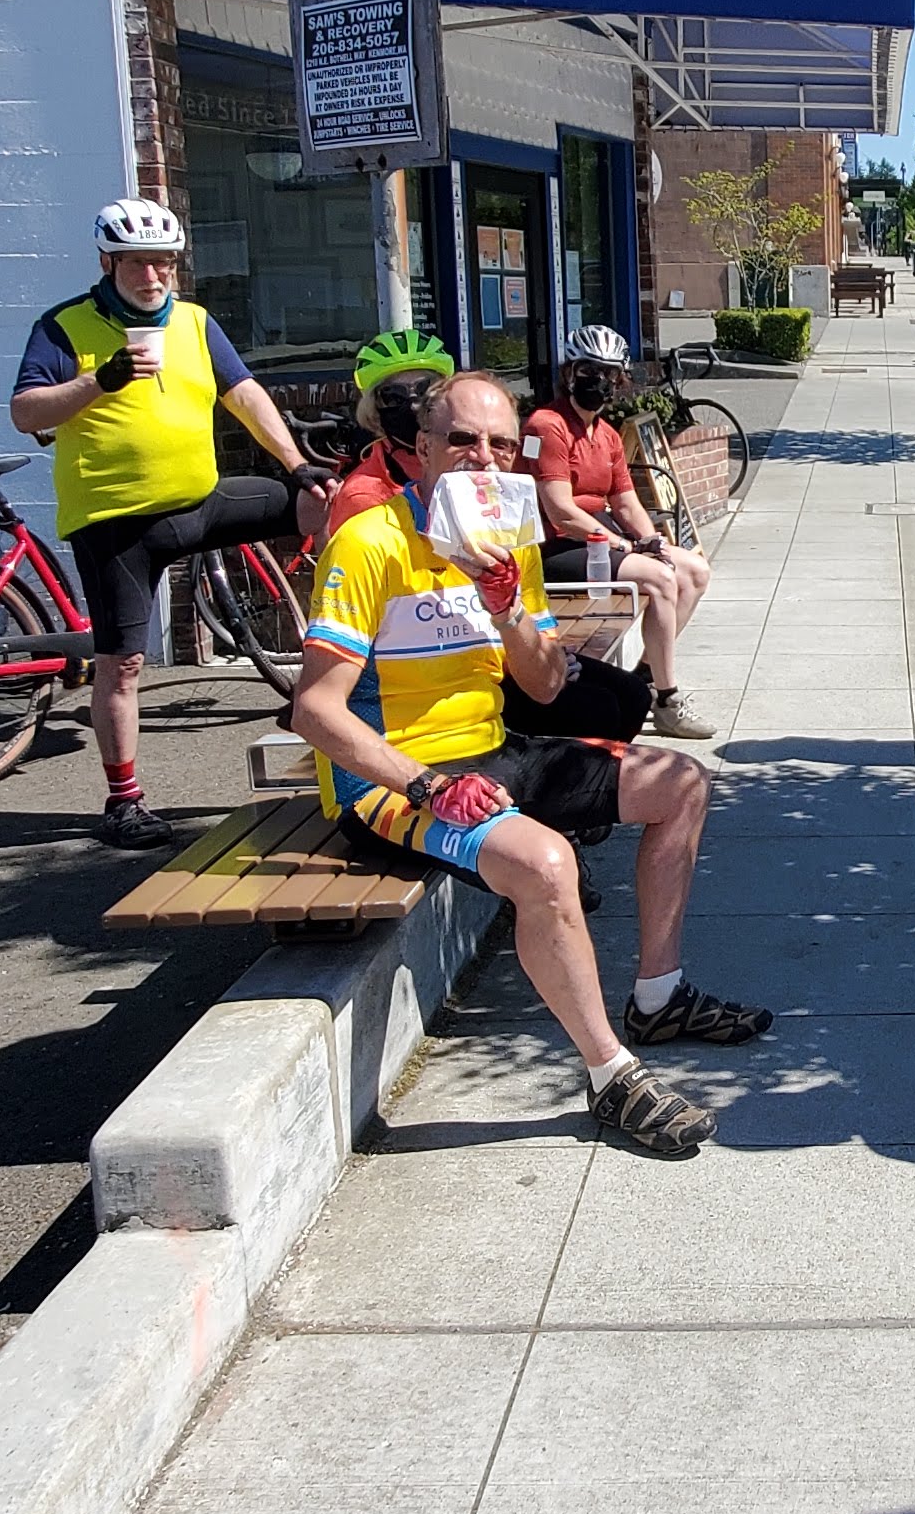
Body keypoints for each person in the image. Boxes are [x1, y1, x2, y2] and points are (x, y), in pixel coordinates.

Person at [282, 371, 775, 1158]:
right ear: (421, 449)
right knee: (547, 864)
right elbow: (315, 710)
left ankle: (659, 997)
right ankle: (611, 1074)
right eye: (462, 441)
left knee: (680, 784)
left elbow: (545, 685)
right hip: (392, 783)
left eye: (501, 445)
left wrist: (507, 606)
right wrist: (428, 785)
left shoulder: (510, 539)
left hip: (493, 750)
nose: (483, 459)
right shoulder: (370, 539)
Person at [8, 198, 319, 849]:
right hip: (117, 522)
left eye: (164, 264)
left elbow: (244, 394)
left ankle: (320, 691)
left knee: (323, 504)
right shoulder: (64, 326)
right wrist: (100, 381)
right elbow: (27, 413)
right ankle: (124, 803)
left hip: (198, 501)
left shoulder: (195, 322)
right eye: (137, 264)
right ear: (107, 262)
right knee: (122, 664)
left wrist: (296, 465)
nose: (153, 276)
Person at [524, 325, 718, 740]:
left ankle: (645, 675)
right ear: (569, 372)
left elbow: (627, 502)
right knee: (661, 579)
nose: (599, 380)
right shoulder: (547, 426)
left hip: (599, 538)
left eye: (609, 373)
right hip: (557, 545)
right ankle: (667, 701)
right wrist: (622, 544)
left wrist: (653, 541)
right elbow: (560, 510)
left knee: (693, 571)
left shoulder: (608, 434)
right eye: (589, 370)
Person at [319, 328, 458, 540]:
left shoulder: (478, 458)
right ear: (374, 408)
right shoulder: (363, 497)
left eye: (425, 389)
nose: (414, 405)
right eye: (394, 396)